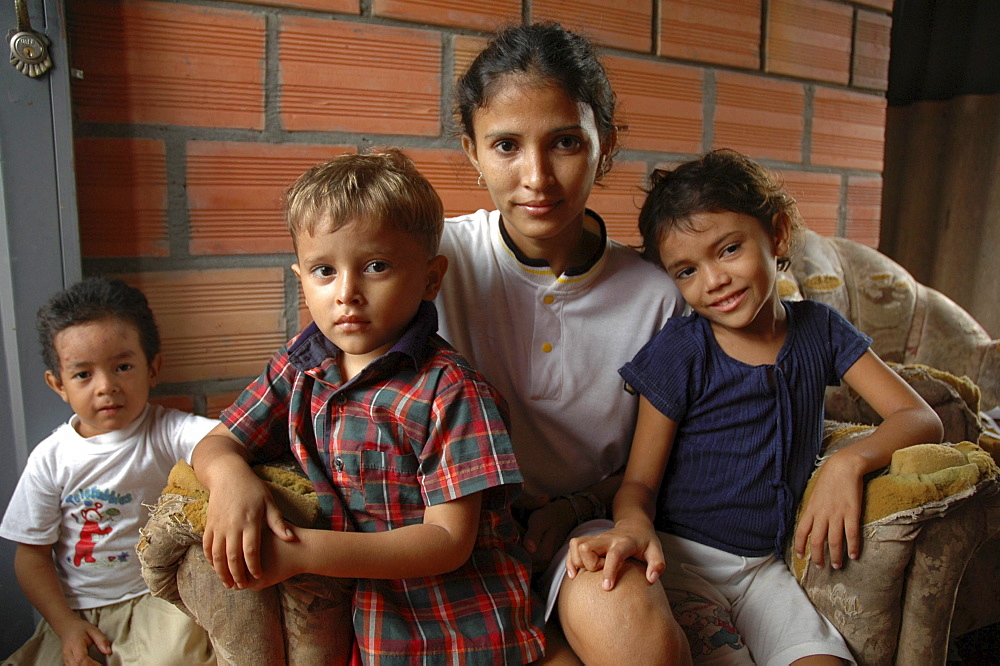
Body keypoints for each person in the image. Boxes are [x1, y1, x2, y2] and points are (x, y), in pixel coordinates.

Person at [566, 149, 945, 665]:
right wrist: (632, 525)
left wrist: (847, 462)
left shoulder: (822, 331)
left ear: (778, 234)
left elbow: (920, 417)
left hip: (768, 570)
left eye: (728, 249)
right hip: (680, 563)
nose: (713, 280)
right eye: (685, 271)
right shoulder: (682, 351)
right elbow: (638, 484)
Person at [190, 149, 545, 663]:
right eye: (324, 270)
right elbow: (220, 440)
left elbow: (448, 540)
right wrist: (229, 479)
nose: (347, 293)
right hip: (358, 630)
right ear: (300, 279)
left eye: (376, 266)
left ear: (430, 277)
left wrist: (302, 553)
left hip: (460, 635)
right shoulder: (300, 365)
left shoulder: (450, 390)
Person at [438, 21, 690, 663]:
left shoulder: (657, 298)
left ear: (605, 147)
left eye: (566, 142)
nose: (537, 177)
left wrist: (578, 504)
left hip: (582, 530)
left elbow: (663, 459)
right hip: (452, 532)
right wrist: (222, 462)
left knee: (631, 626)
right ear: (471, 153)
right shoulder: (433, 259)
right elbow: (311, 370)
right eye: (505, 145)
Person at [0, 277, 217, 666]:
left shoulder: (165, 431)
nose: (106, 387)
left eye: (122, 366)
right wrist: (65, 625)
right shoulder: (51, 459)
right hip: (77, 610)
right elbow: (30, 557)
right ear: (58, 384)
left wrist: (232, 476)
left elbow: (222, 441)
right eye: (83, 374)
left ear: (153, 369)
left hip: (156, 600)